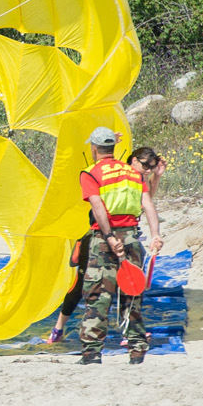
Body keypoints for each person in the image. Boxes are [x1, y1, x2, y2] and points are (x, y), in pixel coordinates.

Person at [46, 144, 167, 345]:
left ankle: (129, 331)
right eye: (145, 166)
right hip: (99, 238)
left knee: (128, 283)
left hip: (124, 236)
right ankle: (58, 328)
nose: (147, 170)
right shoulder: (115, 175)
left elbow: (145, 201)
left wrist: (157, 177)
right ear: (133, 161)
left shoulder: (134, 178)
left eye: (151, 168)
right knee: (83, 287)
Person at [75, 126, 162, 365]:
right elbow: (148, 204)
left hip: (104, 241)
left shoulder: (91, 173)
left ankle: (92, 353)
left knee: (98, 297)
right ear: (112, 147)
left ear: (94, 149)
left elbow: (98, 208)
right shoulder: (133, 173)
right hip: (133, 238)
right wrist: (155, 234)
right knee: (131, 296)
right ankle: (136, 350)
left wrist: (110, 237)